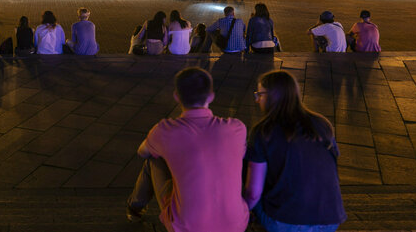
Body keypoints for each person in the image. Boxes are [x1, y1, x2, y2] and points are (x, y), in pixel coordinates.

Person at [126, 67, 248, 231]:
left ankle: (134, 208)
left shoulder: (165, 130)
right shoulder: (236, 128)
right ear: (211, 96)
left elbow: (142, 152)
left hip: (186, 227)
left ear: (177, 96)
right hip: (236, 224)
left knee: (153, 157)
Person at [244, 71, 346, 231]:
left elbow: (253, 193)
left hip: (285, 220)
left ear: (273, 96)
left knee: (248, 163)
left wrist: (241, 211)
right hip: (330, 217)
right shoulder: (321, 124)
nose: (257, 100)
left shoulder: (264, 131)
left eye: (260, 94)